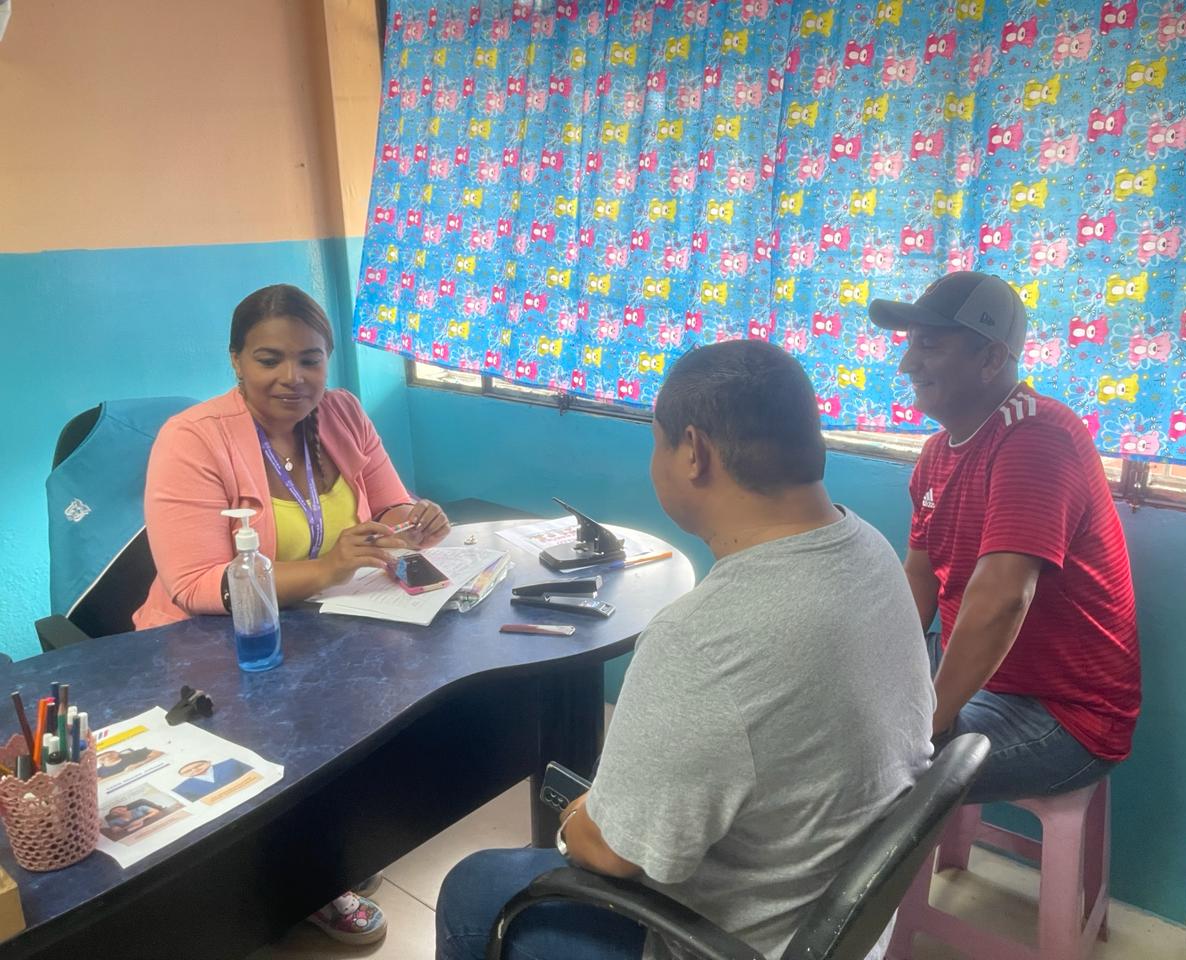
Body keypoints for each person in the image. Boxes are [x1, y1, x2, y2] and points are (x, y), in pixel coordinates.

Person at [434, 340, 934, 960]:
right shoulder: (873, 551)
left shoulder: (702, 640)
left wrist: (580, 822)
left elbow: (613, 853)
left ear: (693, 452)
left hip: (726, 941)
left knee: (474, 888)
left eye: (656, 442)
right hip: (833, 920)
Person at [135, 283, 452, 945]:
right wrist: (331, 568)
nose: (293, 377)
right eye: (269, 359)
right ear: (236, 360)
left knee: (382, 700)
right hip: (216, 641)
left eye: (310, 359)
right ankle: (309, 878)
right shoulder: (191, 439)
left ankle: (326, 838)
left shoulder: (343, 413)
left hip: (321, 620)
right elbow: (195, 583)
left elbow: (389, 505)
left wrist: (414, 519)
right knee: (296, 723)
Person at [868, 271, 1141, 804]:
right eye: (909, 344)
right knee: (823, 708)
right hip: (982, 672)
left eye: (930, 346)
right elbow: (919, 579)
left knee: (872, 771)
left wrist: (924, 728)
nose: (907, 364)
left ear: (991, 358)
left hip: (1061, 712)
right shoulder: (938, 453)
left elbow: (1002, 598)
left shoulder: (1037, 437)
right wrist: (873, 669)